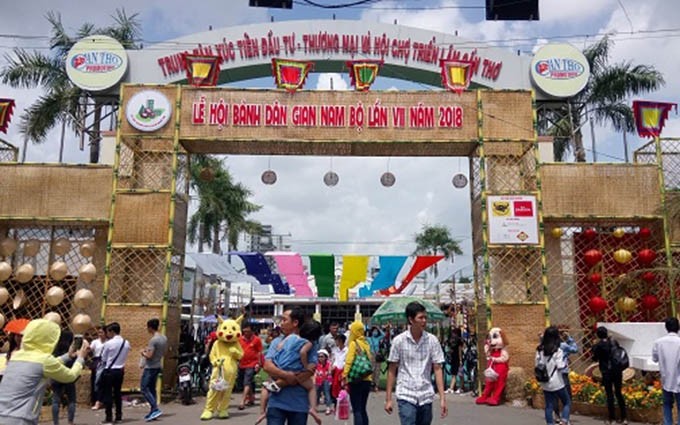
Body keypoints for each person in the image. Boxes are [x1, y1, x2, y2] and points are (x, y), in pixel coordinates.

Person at [0, 318, 89, 425]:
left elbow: (47, 365)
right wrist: (80, 358)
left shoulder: (17, 356)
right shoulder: (44, 360)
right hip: (21, 417)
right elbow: (70, 376)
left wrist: (68, 356)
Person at [385, 301, 448, 425]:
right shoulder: (399, 341)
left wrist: (442, 398)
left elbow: (437, 368)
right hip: (406, 393)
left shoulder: (432, 340)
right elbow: (392, 369)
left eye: (425, 317)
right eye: (420, 318)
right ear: (411, 319)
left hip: (425, 394)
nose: (424, 321)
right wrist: (388, 399)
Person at [258, 320, 322, 425]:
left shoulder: (289, 338)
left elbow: (279, 348)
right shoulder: (309, 343)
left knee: (266, 387)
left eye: (285, 320)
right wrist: (305, 366)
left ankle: (262, 411)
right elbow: (303, 354)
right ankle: (313, 409)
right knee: (311, 387)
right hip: (294, 368)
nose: (282, 323)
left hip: (281, 365)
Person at [536, 326, 570, 425]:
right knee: (566, 402)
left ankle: (550, 423)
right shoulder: (557, 350)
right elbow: (560, 366)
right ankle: (564, 421)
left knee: (548, 406)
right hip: (557, 382)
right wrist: (565, 364)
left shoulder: (539, 350)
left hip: (545, 382)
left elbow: (537, 365)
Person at [593, 326, 627, 425]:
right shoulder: (613, 342)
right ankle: (624, 417)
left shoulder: (598, 346)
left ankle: (612, 419)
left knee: (609, 395)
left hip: (606, 371)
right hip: (617, 371)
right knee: (619, 393)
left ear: (598, 335)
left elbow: (595, 358)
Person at [99, 322, 131, 425]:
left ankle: (109, 417)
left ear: (112, 331)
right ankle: (119, 416)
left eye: (108, 331)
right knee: (118, 393)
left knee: (108, 393)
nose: (107, 334)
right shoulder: (126, 343)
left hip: (109, 370)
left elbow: (103, 358)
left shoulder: (108, 344)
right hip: (120, 370)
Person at [342, 320, 373, 425]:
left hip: (356, 379)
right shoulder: (366, 343)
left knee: (357, 409)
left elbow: (349, 361)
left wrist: (344, 375)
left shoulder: (353, 344)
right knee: (363, 408)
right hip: (367, 379)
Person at [652, 317, 680, 425]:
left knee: (667, 405)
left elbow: (654, 359)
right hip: (679, 378)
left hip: (666, 378)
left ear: (666, 328)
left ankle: (667, 423)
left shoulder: (658, 342)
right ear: (678, 328)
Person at [140, 318, 167, 422]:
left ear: (150, 328)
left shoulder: (153, 340)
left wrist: (143, 353)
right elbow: (164, 352)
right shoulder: (164, 338)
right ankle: (153, 411)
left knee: (144, 388)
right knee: (152, 388)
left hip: (150, 367)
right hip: (157, 365)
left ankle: (155, 408)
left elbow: (149, 355)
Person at [51, 331, 77, 425]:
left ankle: (56, 422)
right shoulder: (72, 350)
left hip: (56, 375)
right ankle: (70, 421)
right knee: (72, 399)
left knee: (55, 400)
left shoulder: (55, 350)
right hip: (68, 374)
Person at [554, 327, 578, 423]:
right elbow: (575, 349)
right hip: (563, 372)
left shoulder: (549, 345)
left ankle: (556, 415)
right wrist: (569, 339)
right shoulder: (563, 345)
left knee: (555, 395)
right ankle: (565, 417)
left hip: (553, 373)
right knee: (567, 396)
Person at [237, 323, 263, 410]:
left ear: (252, 331)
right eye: (244, 332)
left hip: (252, 364)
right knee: (245, 382)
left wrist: (259, 364)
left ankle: (242, 401)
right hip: (241, 364)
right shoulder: (240, 339)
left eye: (248, 331)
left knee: (247, 381)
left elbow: (259, 352)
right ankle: (251, 398)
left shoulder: (256, 340)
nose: (246, 333)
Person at [89, 326, 107, 410]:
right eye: (99, 332)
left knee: (103, 382)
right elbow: (90, 349)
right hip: (96, 361)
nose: (100, 334)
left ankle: (102, 400)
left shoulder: (108, 342)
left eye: (101, 332)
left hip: (105, 361)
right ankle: (95, 400)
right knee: (95, 381)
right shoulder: (95, 342)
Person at [314, 349, 333, 415]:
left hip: (326, 380)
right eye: (319, 356)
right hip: (318, 380)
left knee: (326, 393)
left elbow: (330, 372)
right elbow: (315, 372)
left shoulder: (328, 363)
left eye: (322, 356)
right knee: (317, 394)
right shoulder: (317, 364)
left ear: (325, 357)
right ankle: (315, 407)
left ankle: (328, 407)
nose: (320, 358)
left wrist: (328, 374)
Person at [367, 325, 384, 392]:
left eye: (376, 331)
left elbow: (383, 334)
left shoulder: (378, 338)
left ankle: (376, 385)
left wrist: (378, 327)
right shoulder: (369, 338)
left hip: (377, 355)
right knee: (371, 370)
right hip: (371, 355)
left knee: (377, 370)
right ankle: (371, 384)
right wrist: (369, 327)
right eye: (374, 331)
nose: (375, 332)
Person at [445, 327, 462, 394]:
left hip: (455, 358)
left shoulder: (455, 340)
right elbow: (460, 350)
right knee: (459, 373)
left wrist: (460, 359)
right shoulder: (458, 340)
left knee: (456, 373)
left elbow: (459, 350)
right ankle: (457, 387)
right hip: (456, 358)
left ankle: (453, 388)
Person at [330, 333, 347, 401]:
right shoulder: (335, 350)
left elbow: (346, 361)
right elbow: (335, 360)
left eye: (337, 340)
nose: (336, 342)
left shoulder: (347, 350)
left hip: (343, 371)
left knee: (344, 387)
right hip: (336, 371)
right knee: (335, 387)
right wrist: (333, 366)